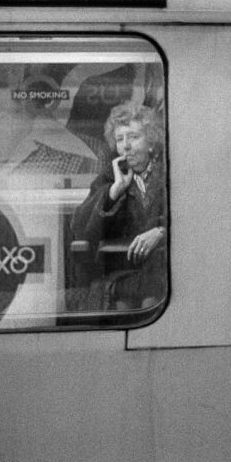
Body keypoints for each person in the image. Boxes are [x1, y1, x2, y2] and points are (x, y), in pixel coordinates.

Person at [70, 102, 167, 309]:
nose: (126, 146)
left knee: (152, 300)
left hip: (163, 271)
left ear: (151, 142)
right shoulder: (109, 177)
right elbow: (80, 228)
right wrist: (114, 191)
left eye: (133, 137)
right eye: (119, 139)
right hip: (122, 272)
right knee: (122, 305)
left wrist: (161, 231)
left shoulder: (169, 173)